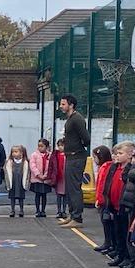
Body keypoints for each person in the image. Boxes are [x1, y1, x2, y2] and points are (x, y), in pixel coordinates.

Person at [59, 94, 90, 228]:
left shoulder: (77, 119)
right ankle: (72, 215)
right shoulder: (70, 119)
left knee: (74, 188)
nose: (61, 106)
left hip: (76, 157)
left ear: (71, 105)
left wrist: (77, 146)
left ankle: (77, 218)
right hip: (70, 157)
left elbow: (86, 138)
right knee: (69, 187)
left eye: (63, 104)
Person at [104, 142, 135, 268]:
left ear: (129, 155)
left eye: (120, 153)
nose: (117, 156)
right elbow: (109, 183)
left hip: (124, 206)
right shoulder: (114, 167)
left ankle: (127, 258)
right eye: (116, 153)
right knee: (118, 233)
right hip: (114, 205)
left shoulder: (130, 170)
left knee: (125, 233)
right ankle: (120, 255)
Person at [92, 146, 114, 256]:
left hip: (104, 201)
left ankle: (109, 243)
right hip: (103, 200)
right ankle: (108, 243)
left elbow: (102, 185)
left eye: (95, 157)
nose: (94, 160)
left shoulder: (105, 167)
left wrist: (99, 200)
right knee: (106, 223)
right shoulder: (104, 167)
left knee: (107, 223)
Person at [29, 138, 55, 217]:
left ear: (46, 147)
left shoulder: (50, 155)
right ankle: (37, 210)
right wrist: (38, 175)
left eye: (42, 146)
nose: (40, 148)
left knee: (44, 195)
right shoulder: (34, 155)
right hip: (37, 179)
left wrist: (46, 175)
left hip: (46, 179)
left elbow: (50, 166)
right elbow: (32, 165)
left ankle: (43, 210)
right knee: (37, 194)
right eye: (39, 146)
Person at [4, 145, 29, 217]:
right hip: (13, 182)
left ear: (21, 153)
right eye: (12, 152)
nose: (14, 153)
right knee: (12, 197)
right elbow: (7, 173)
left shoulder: (24, 162)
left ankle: (21, 210)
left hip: (20, 182)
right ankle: (12, 210)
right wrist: (8, 183)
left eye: (16, 152)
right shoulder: (10, 162)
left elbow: (27, 173)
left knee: (21, 197)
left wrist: (26, 183)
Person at [53, 139, 67, 218]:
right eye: (59, 146)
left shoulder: (67, 155)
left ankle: (64, 211)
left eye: (62, 145)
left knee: (65, 195)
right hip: (59, 177)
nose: (60, 147)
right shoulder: (56, 155)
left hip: (66, 178)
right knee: (59, 195)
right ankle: (59, 211)